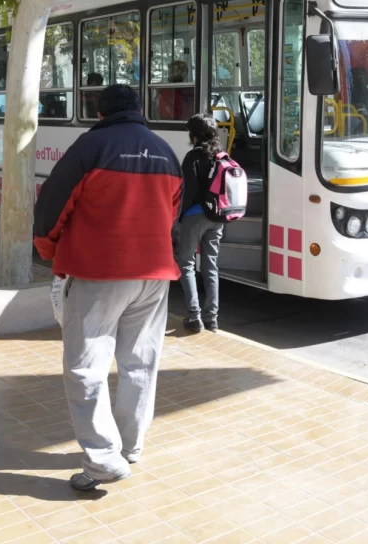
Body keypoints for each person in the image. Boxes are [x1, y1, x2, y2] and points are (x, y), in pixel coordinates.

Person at [34, 84, 183, 491]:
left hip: (100, 273)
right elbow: (172, 213)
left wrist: (49, 249)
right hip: (154, 275)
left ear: (99, 113)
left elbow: (51, 206)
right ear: (138, 109)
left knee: (85, 366)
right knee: (140, 362)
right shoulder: (165, 150)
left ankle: (102, 459)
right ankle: (130, 447)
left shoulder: (91, 147)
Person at [176, 113, 225, 333]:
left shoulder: (192, 158)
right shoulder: (221, 156)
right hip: (217, 218)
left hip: (195, 217)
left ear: (193, 134)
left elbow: (187, 192)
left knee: (186, 263)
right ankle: (212, 318)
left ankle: (194, 317)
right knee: (210, 267)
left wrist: (178, 218)